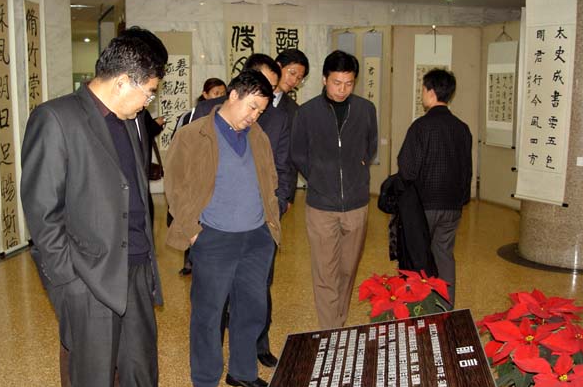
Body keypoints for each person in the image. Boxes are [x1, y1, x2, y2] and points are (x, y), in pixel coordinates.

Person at [20, 27, 199, 387]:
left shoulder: (131, 119)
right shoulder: (56, 119)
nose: (149, 101)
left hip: (135, 266)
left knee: (141, 366)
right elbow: (42, 214)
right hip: (86, 276)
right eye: (148, 92)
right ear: (122, 82)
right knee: (93, 380)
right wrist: (69, 284)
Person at [165, 70, 280, 387]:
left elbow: (270, 179)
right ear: (233, 95)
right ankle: (204, 380)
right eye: (252, 107)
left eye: (260, 111)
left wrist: (269, 225)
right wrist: (193, 230)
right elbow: (175, 186)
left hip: (256, 237)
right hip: (214, 237)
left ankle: (242, 371)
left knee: (252, 308)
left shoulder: (258, 136)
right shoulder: (194, 134)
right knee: (208, 312)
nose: (254, 116)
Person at [192, 54, 295, 368]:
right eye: (262, 86)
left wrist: (276, 208)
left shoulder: (273, 121)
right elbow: (184, 178)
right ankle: (209, 370)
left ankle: (250, 357)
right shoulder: (205, 116)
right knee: (212, 304)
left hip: (257, 228)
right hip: (216, 229)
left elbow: (282, 167)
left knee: (255, 298)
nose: (257, 113)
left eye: (272, 89)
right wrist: (192, 228)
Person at [291, 50, 378, 330]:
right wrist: (318, 177)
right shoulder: (307, 112)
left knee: (347, 270)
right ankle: (332, 331)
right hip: (321, 206)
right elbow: (297, 152)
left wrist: (358, 171)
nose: (342, 89)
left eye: (349, 83)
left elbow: (371, 146)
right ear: (324, 79)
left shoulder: (365, 109)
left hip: (356, 203)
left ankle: (338, 320)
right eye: (336, 83)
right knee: (325, 273)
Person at [397, 68, 472, 307]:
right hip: (452, 206)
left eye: (422, 89)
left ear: (430, 92)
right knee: (444, 254)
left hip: (423, 205)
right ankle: (445, 308)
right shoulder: (462, 128)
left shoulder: (420, 127)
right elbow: (467, 169)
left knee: (417, 256)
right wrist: (461, 200)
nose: (422, 94)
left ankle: (418, 308)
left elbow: (407, 170)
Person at [170, 77, 226, 277]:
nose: (219, 98)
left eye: (222, 94)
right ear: (205, 94)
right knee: (191, 218)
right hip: (192, 178)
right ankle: (189, 262)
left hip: (214, 182)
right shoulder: (190, 116)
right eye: (215, 94)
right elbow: (177, 143)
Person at [273, 48, 310, 122]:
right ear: (278, 66)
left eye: (299, 78)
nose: (294, 81)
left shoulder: (294, 110)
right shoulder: (253, 92)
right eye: (292, 73)